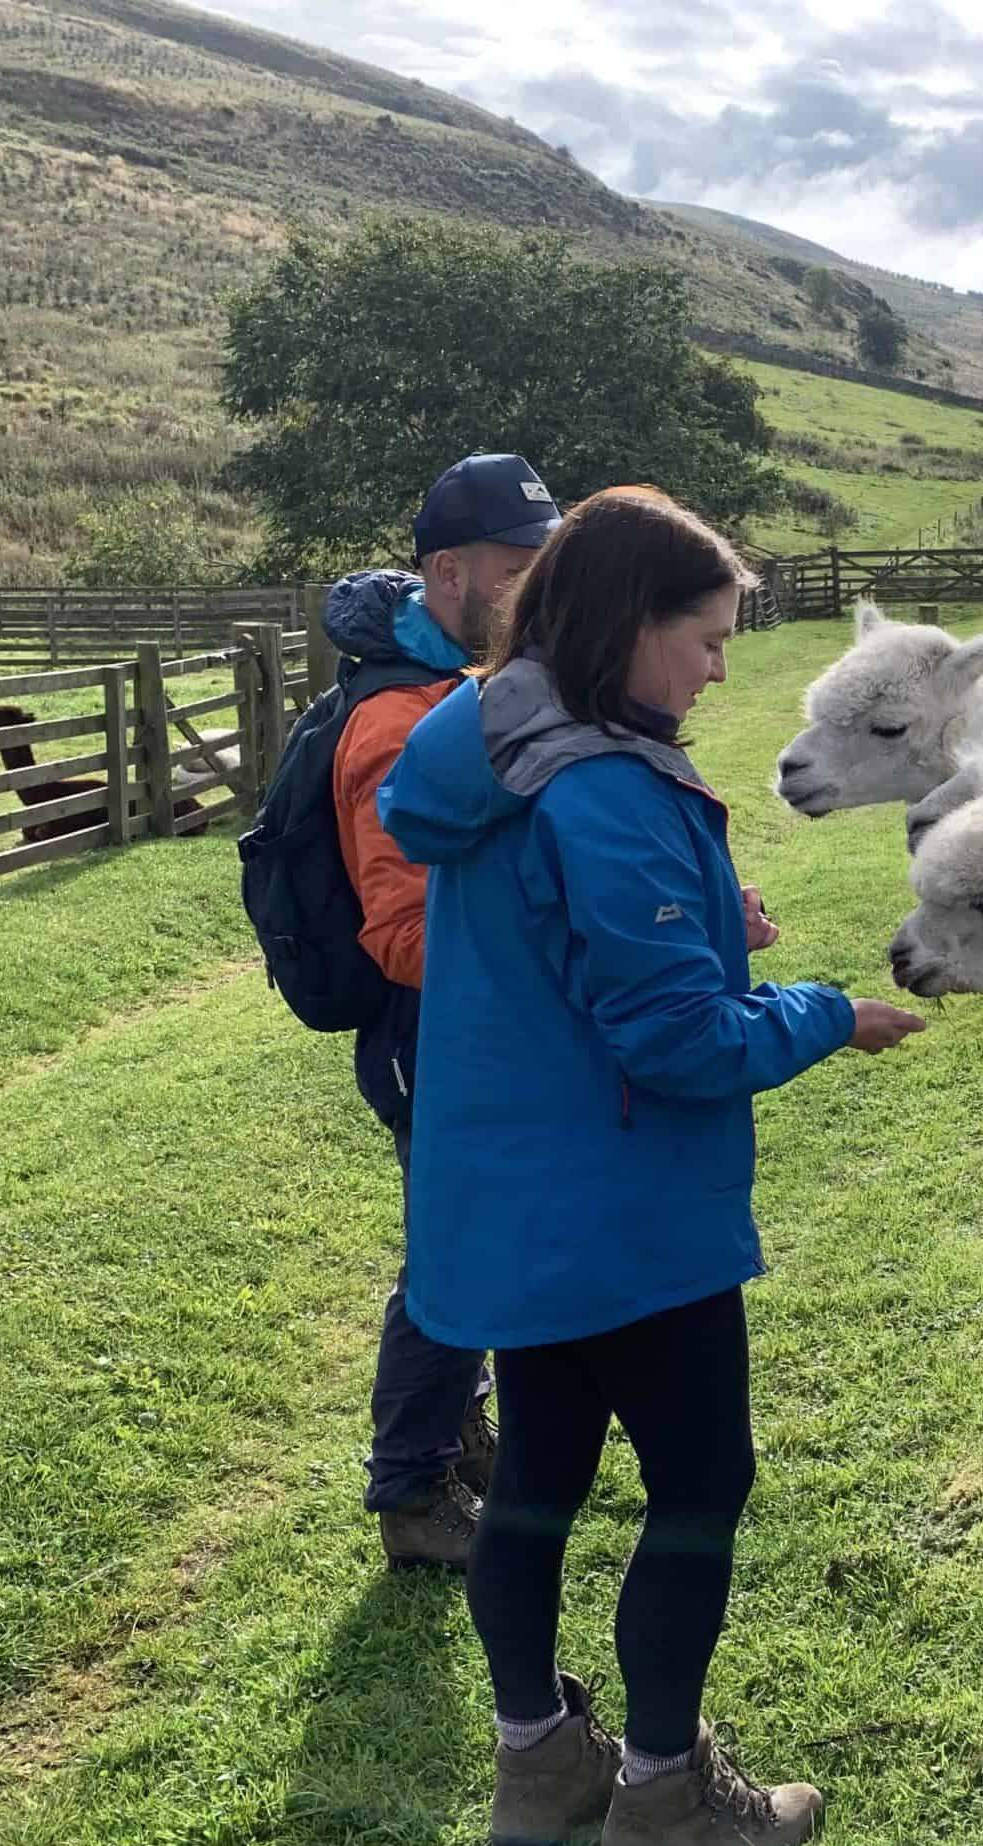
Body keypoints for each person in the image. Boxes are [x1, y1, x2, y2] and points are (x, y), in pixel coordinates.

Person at [378, 485, 925, 1846]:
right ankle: (668, 1801)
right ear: (628, 624)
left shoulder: (492, 743)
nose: (720, 667)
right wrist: (818, 1013)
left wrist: (707, 931)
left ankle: (536, 1764)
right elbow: (677, 1043)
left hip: (516, 1206)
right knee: (698, 1486)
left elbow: (567, 952)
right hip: (624, 1224)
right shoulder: (608, 783)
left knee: (541, 1486)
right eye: (707, 637)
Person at [331, 453, 561, 1570]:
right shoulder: (395, 722)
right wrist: (554, 945)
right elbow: (404, 935)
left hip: (473, 1029)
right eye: (517, 572)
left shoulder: (451, 689)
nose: (535, 595)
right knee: (452, 1253)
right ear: (446, 571)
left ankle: (456, 1432)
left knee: (479, 1236)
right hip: (434, 1036)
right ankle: (411, 1495)